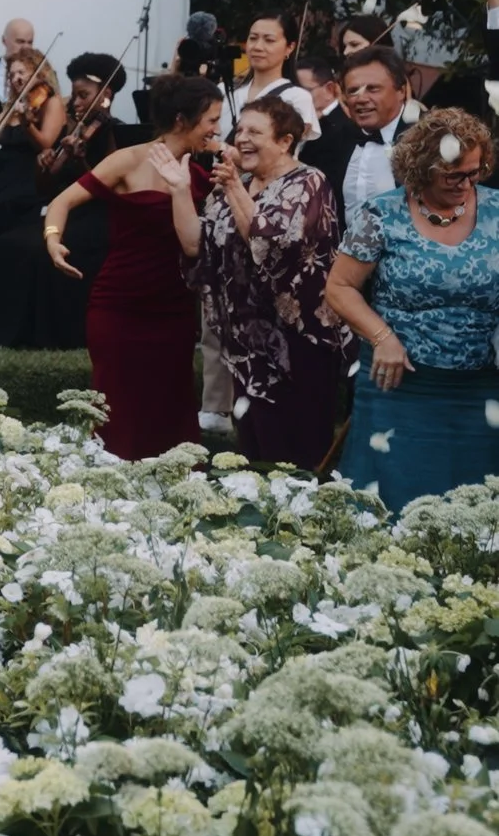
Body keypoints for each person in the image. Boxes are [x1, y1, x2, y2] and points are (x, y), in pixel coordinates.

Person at [324, 110, 499, 512]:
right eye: (453, 175)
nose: (466, 183)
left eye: (475, 172)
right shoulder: (381, 213)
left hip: (480, 387)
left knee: (473, 505)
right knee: (393, 499)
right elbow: (340, 287)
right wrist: (382, 337)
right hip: (398, 382)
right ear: (421, 168)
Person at [42, 72, 222, 459]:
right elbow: (62, 201)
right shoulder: (127, 160)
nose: (217, 130)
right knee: (115, 407)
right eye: (211, 120)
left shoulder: (201, 174)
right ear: (181, 119)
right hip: (118, 304)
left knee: (170, 404)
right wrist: (53, 240)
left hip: (173, 308)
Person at [188, 95, 343, 469]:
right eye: (239, 130)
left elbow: (271, 244)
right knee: (254, 452)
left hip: (297, 343)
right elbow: (198, 243)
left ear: (285, 141)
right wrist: (179, 188)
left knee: (294, 454)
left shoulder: (309, 182)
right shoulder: (235, 181)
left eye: (255, 131)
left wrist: (235, 190)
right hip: (245, 344)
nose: (242, 139)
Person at [0, 53, 127, 349]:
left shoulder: (115, 133)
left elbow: (110, 190)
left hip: (100, 217)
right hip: (67, 213)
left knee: (37, 250)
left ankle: (49, 336)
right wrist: (43, 164)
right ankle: (10, 335)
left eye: (84, 96)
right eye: (74, 95)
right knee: (7, 244)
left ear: (106, 95)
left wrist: (83, 161)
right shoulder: (72, 131)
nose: (76, 103)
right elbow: (46, 189)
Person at [0, 45, 64, 284]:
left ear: (40, 74)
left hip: (32, 173)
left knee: (1, 203)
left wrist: (28, 123)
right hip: (6, 171)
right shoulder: (13, 107)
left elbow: (46, 143)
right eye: (12, 74)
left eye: (22, 73)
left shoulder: (52, 103)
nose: (16, 78)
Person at [304, 46, 412, 226]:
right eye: (353, 91)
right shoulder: (331, 141)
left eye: (373, 89)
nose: (361, 99)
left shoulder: (425, 141)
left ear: (401, 91)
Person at [225, 16, 320, 144]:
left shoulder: (297, 97)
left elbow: (275, 154)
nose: (257, 47)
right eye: (253, 38)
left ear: (290, 47)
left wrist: (217, 148)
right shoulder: (225, 89)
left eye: (269, 40)